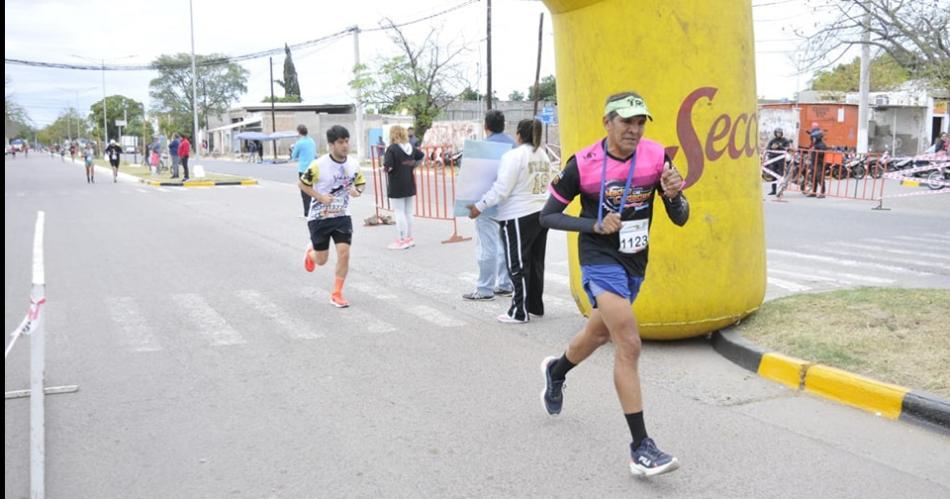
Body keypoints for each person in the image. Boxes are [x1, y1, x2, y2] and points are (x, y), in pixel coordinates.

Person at [538, 92, 689, 477]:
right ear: (607, 122)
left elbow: (681, 216)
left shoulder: (656, 156)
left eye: (640, 123)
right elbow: (548, 216)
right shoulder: (583, 163)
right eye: (626, 122)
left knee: (599, 333)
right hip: (599, 258)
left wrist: (674, 196)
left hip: (634, 261)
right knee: (629, 342)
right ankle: (641, 448)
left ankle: (556, 371)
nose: (634, 130)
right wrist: (594, 224)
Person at [467, 118, 557, 323]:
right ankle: (534, 306)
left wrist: (479, 206)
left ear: (519, 134)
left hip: (518, 215)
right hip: (540, 212)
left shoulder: (514, 156)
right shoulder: (542, 154)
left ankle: (519, 312)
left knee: (517, 264)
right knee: (535, 262)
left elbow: (501, 189)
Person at [298, 125, 366, 308]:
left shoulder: (353, 164)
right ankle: (310, 254)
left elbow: (361, 182)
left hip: (342, 215)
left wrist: (357, 191)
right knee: (322, 260)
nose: (345, 145)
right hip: (319, 217)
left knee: (344, 254)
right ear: (331, 145)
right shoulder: (318, 165)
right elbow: (302, 184)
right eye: (340, 142)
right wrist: (320, 197)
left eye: (347, 141)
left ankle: (336, 293)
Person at [462, 110, 515, 301]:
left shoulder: (482, 147)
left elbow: (471, 178)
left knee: (487, 247)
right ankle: (505, 284)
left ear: (486, 126)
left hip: (486, 204)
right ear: (503, 125)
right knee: (505, 245)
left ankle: (485, 288)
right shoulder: (514, 145)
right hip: (509, 204)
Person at [383, 125, 425, 250]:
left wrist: (384, 169)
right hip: (409, 182)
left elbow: (388, 167)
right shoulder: (410, 147)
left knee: (399, 212)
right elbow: (421, 156)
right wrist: (413, 165)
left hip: (397, 183)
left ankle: (401, 240)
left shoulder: (392, 149)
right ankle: (409, 238)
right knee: (408, 212)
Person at [291, 124, 317, 218]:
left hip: (303, 169)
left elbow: (293, 156)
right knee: (312, 189)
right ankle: (314, 211)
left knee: (305, 192)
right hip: (313, 168)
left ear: (299, 132)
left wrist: (293, 149)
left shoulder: (299, 143)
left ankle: (307, 213)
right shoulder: (312, 141)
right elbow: (315, 154)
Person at [765, 128, 791, 195]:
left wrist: (779, 146)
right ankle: (773, 190)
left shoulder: (785, 140)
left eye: (779, 133)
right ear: (775, 133)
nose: (778, 134)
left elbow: (787, 148)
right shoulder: (773, 140)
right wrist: (772, 147)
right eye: (777, 133)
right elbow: (767, 148)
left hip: (781, 160)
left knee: (781, 175)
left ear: (782, 133)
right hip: (773, 159)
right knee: (773, 174)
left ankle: (780, 190)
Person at [806, 127, 827, 198]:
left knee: (820, 178)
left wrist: (815, 150)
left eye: (814, 138)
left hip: (819, 164)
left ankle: (822, 193)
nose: (813, 139)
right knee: (813, 178)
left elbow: (822, 153)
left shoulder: (821, 145)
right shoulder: (814, 144)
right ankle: (814, 192)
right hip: (813, 163)